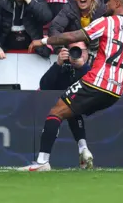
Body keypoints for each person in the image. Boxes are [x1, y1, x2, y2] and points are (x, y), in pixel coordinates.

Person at [21, 0, 123, 171]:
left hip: (96, 81)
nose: (106, 4)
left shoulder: (106, 23)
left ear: (117, 4)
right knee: (71, 109)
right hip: (115, 91)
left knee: (56, 111)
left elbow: (73, 36)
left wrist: (42, 41)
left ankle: (42, 162)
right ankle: (84, 150)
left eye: (109, 1)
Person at [38, 41, 94, 169]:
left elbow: (95, 85)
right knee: (67, 109)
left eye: (80, 50)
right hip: (61, 107)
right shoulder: (62, 67)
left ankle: (43, 160)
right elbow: (44, 85)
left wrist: (83, 67)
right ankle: (83, 148)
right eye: (73, 50)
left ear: (86, 53)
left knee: (71, 108)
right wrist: (57, 64)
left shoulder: (90, 68)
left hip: (85, 106)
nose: (76, 54)